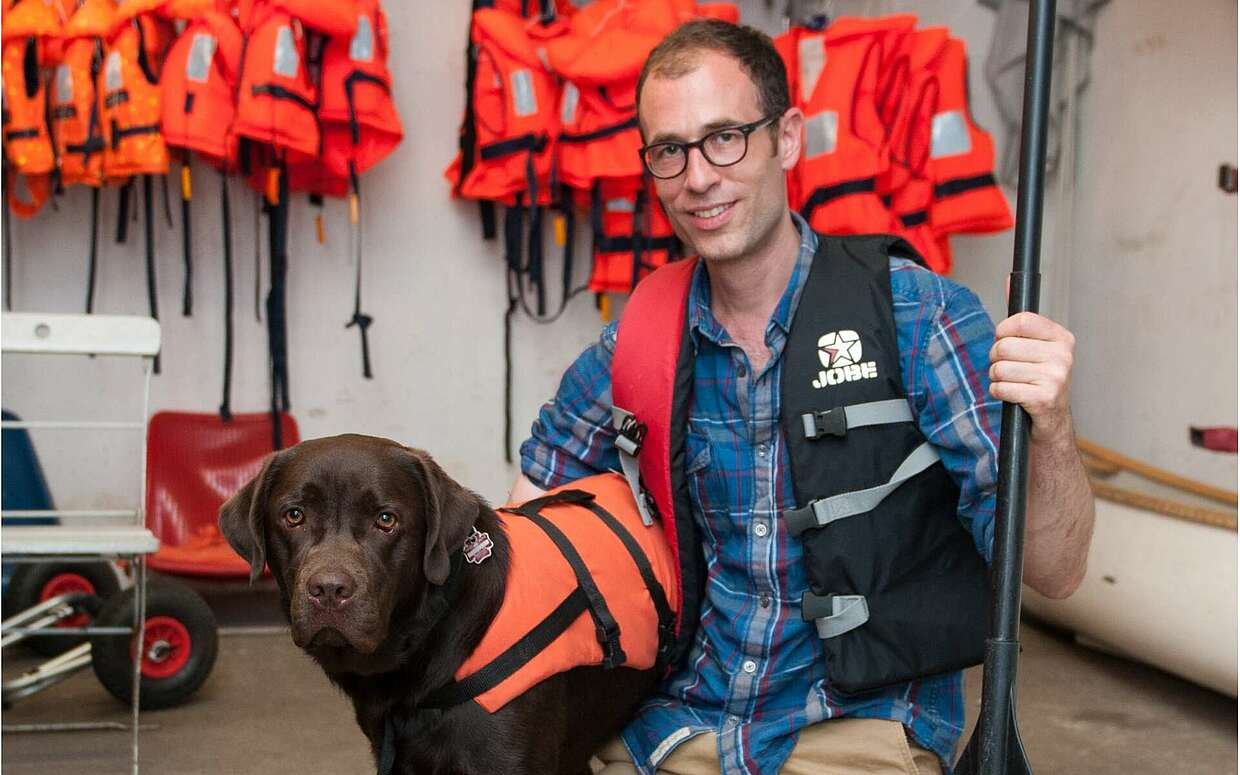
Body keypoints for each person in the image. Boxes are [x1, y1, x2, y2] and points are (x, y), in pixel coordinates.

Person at [511, 19, 1094, 775]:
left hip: (856, 737)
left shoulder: (919, 317)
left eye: (725, 137)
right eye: (669, 151)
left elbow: (1055, 570)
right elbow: (527, 511)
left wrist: (1050, 428)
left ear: (787, 137)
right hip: (672, 734)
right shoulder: (639, 338)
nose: (698, 177)